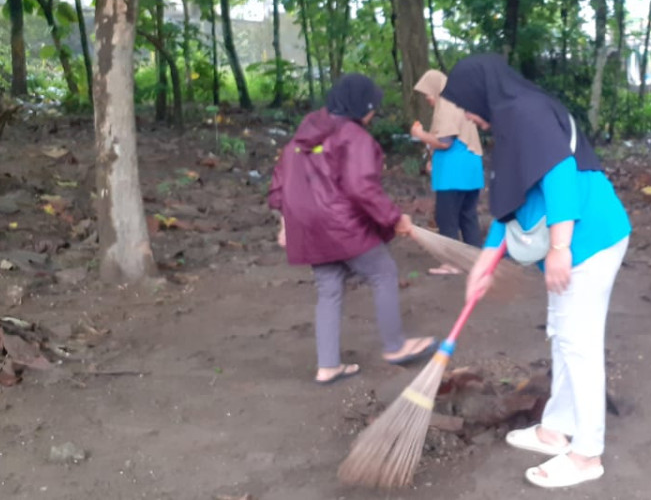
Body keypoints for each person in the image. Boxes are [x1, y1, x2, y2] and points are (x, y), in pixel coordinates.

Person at [441, 54, 631, 489]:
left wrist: (561, 248)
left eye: (465, 104)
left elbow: (561, 173)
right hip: (576, 241)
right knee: (564, 336)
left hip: (589, 240)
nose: (468, 115)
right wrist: (485, 264)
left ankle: (586, 455)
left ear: (480, 93)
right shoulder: (511, 119)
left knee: (578, 343)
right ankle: (556, 429)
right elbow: (515, 205)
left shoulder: (525, 112)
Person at [269, 74, 437, 385]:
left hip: (307, 227)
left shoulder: (299, 139)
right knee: (382, 272)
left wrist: (285, 224)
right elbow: (362, 188)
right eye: (373, 108)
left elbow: (279, 184)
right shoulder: (354, 137)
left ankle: (328, 365)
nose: (374, 115)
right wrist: (394, 218)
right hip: (342, 224)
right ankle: (395, 346)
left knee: (329, 288)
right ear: (363, 107)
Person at [410, 70, 485, 275]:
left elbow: (445, 142)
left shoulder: (447, 104)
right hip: (470, 171)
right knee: (467, 216)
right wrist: (433, 161)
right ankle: (475, 260)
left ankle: (452, 263)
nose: (427, 98)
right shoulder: (460, 102)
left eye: (428, 93)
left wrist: (420, 135)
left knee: (447, 218)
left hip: (454, 174)